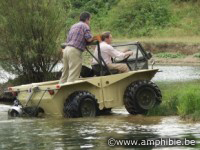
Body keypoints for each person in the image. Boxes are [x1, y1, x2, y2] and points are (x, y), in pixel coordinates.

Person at [60, 12, 94, 83]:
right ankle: (70, 92)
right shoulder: (85, 25)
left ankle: (60, 90)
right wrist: (95, 38)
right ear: (87, 19)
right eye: (90, 20)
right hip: (74, 51)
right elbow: (89, 39)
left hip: (66, 49)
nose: (89, 22)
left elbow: (68, 39)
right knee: (73, 74)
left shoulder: (73, 26)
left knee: (65, 74)